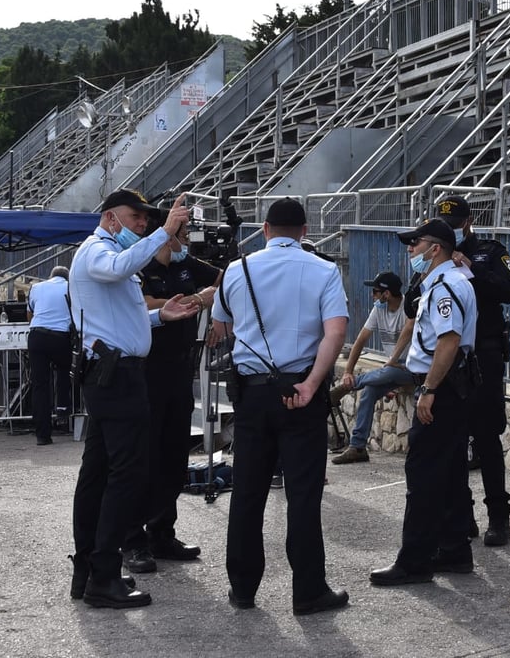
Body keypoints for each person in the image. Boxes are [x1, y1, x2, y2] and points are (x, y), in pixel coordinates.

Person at [207, 197, 350, 616]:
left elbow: (221, 327)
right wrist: (309, 383)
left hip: (251, 394)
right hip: (300, 393)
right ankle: (308, 591)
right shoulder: (324, 270)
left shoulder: (237, 270)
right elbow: (335, 333)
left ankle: (243, 588)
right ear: (304, 232)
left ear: (265, 230)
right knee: (303, 496)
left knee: (247, 494)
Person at [68, 189, 198, 609]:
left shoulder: (108, 255)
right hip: (116, 376)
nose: (142, 223)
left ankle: (90, 569)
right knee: (126, 475)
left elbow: (120, 320)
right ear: (110, 217)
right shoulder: (98, 251)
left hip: (116, 372)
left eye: (147, 219)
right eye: (135, 217)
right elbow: (120, 266)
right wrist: (165, 231)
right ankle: (103, 571)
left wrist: (161, 316)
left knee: (100, 474)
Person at [370, 218, 478, 587]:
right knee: (448, 473)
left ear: (435, 249)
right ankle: (453, 549)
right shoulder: (449, 280)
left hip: (442, 387)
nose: (410, 251)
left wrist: (429, 389)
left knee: (424, 474)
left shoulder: (446, 285)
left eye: (415, 244)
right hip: (450, 386)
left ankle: (415, 562)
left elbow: (448, 341)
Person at [122, 215, 222, 573]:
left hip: (180, 373)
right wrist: (198, 299)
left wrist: (220, 314)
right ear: (165, 235)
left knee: (174, 456)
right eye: (183, 233)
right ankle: (131, 540)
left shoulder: (185, 263)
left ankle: (162, 532)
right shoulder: (139, 263)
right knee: (141, 458)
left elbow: (224, 280)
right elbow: (144, 303)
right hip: (147, 374)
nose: (188, 240)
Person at [435, 195, 510, 547]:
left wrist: (471, 269)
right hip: (449, 355)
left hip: (483, 354)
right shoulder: (434, 255)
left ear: (468, 222)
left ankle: (498, 516)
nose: (451, 231)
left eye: (455, 224)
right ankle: (463, 514)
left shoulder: (489, 250)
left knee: (486, 437)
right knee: (454, 438)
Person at [330, 271, 416, 464]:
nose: (372, 296)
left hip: (411, 368)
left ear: (386, 294)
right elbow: (360, 340)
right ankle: (358, 446)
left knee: (388, 370)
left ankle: (346, 389)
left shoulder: (407, 308)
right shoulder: (379, 310)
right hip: (390, 369)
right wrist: (348, 371)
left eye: (376, 292)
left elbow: (408, 332)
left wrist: (392, 359)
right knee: (370, 390)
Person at [26, 266, 72, 446]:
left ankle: (42, 435)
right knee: (65, 370)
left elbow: (30, 314)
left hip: (37, 336)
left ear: (50, 276)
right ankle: (63, 408)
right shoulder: (71, 287)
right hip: (60, 337)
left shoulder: (37, 287)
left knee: (40, 385)